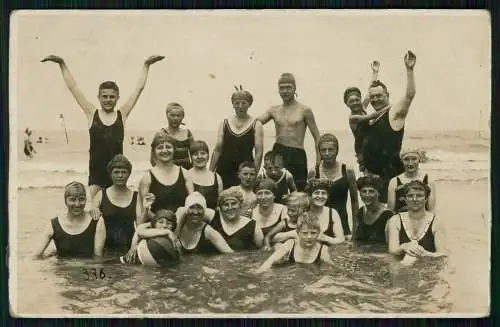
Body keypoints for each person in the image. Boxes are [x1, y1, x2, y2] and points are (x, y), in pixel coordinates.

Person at [41, 54, 164, 199]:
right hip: (96, 179)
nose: (108, 100)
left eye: (112, 96)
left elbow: (138, 90)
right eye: (104, 96)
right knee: (92, 212)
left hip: (118, 176)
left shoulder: (122, 114)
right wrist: (61, 63)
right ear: (98, 97)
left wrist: (146, 65)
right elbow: (73, 87)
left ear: (118, 98)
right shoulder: (91, 113)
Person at [362, 51, 417, 202]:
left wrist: (409, 70)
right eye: (373, 97)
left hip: (391, 180)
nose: (375, 99)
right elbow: (363, 103)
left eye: (379, 96)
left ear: (387, 95)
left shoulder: (393, 115)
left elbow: (409, 96)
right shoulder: (371, 118)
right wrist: (374, 74)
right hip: (372, 182)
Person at [258, 73, 321, 191]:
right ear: (278, 90)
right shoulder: (274, 110)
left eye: (288, 87)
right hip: (278, 153)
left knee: (299, 191)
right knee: (274, 189)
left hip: (297, 153)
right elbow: (255, 123)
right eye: (282, 88)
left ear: (294, 88)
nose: (285, 91)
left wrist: (318, 163)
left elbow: (317, 137)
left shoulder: (304, 110)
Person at [34, 182, 106, 259]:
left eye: (81, 199)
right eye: (72, 200)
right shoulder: (54, 224)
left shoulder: (96, 221)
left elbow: (97, 258)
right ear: (65, 201)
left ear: (86, 200)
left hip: (87, 270)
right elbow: (35, 256)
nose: (77, 204)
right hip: (62, 270)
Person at [210, 85, 264, 189]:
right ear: (233, 104)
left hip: (244, 172)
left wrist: (254, 176)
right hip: (224, 168)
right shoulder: (224, 123)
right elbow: (217, 149)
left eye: (244, 103)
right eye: (237, 103)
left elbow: (259, 153)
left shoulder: (256, 124)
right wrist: (210, 173)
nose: (240, 106)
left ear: (249, 104)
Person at [307, 133, 359, 235]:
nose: (327, 153)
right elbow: (309, 203)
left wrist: (356, 227)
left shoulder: (347, 170)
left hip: (342, 222)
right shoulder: (314, 172)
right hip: (320, 224)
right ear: (319, 152)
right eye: (323, 150)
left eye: (330, 149)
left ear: (337, 150)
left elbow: (354, 200)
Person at [138, 132, 194, 224]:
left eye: (168, 147)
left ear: (174, 150)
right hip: (157, 226)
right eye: (160, 147)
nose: (165, 150)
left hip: (182, 225)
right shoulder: (147, 178)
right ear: (154, 152)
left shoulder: (185, 174)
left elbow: (191, 204)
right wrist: (164, 224)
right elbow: (144, 211)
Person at [386, 180, 447, 265]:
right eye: (410, 196)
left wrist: (425, 254)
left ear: (426, 199)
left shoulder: (437, 222)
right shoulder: (395, 220)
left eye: (419, 196)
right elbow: (392, 251)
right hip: (402, 268)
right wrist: (404, 246)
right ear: (405, 199)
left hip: (427, 269)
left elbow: (442, 255)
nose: (414, 199)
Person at [254, 212, 335, 273]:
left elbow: (332, 268)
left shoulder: (322, 249)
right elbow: (270, 261)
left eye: (313, 233)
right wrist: (258, 272)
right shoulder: (291, 244)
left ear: (318, 232)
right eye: (305, 233)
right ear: (298, 232)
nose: (309, 237)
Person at [91, 155, 140, 254]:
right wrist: (94, 209)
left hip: (129, 250)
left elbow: (140, 224)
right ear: (110, 174)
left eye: (124, 172)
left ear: (129, 174)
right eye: (116, 172)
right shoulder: (101, 195)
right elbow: (92, 210)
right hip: (105, 250)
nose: (120, 175)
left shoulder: (136, 196)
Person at [344, 60, 386, 172]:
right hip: (361, 150)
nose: (355, 103)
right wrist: (389, 107)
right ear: (346, 104)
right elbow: (373, 116)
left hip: (370, 146)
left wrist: (375, 72)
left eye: (357, 100)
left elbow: (369, 93)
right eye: (351, 101)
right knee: (368, 175)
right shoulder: (353, 118)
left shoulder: (362, 107)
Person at [387, 149, 436, 213]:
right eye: (406, 159)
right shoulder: (394, 181)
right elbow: (391, 210)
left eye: (414, 159)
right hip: (400, 220)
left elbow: (431, 210)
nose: (410, 163)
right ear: (402, 161)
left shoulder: (428, 180)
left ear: (419, 160)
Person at [352, 175, 394, 244]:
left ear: (378, 193)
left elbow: (390, 245)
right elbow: (355, 239)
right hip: (360, 253)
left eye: (371, 191)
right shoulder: (361, 211)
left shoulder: (387, 215)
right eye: (364, 191)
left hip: (380, 253)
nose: (367, 195)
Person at [305, 178, 346, 245]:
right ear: (309, 195)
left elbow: (341, 240)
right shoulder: (303, 211)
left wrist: (324, 238)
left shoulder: (332, 213)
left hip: (327, 252)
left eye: (323, 193)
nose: (320, 196)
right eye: (317, 193)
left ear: (327, 196)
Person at [188, 140, 223, 210]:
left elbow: (220, 204)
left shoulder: (216, 177)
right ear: (191, 158)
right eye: (195, 154)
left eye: (203, 153)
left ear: (208, 156)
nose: (199, 156)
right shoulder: (186, 175)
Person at [160, 102, 195, 169]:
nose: (175, 118)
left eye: (178, 115)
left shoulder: (187, 133)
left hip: (186, 172)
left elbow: (194, 155)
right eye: (172, 115)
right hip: (169, 172)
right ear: (167, 115)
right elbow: (153, 160)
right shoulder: (162, 133)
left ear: (182, 117)